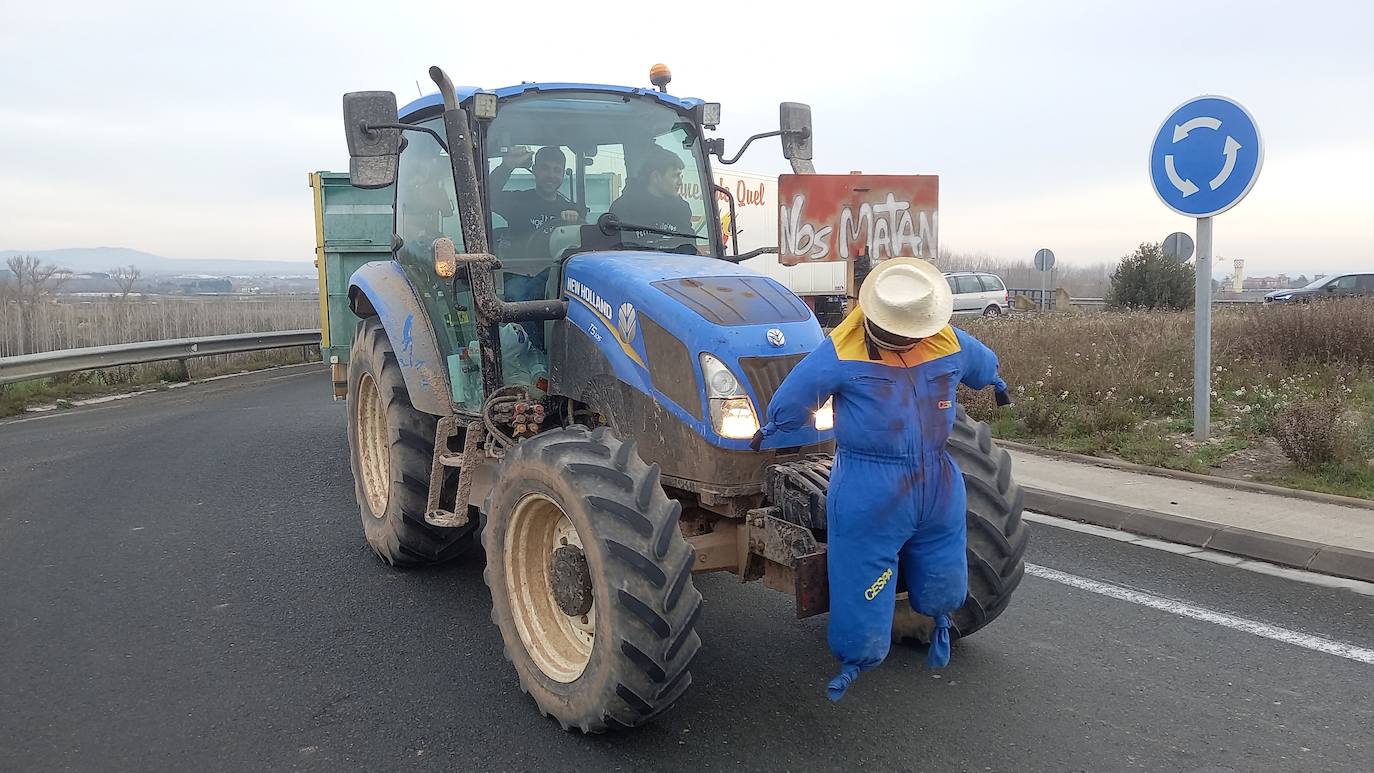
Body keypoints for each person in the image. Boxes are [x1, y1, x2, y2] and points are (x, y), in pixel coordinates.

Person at [749, 257, 1011, 703]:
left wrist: (771, 430)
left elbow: (791, 400)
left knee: (865, 570)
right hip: (939, 485)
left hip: (872, 494)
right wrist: (997, 383)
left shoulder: (841, 350)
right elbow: (986, 367)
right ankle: (937, 621)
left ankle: (860, 656)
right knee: (942, 565)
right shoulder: (949, 341)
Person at [609, 146, 695, 239]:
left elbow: (689, 246)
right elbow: (616, 248)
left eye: (680, 176)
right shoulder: (623, 209)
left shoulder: (680, 209)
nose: (680, 182)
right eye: (675, 176)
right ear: (656, 177)